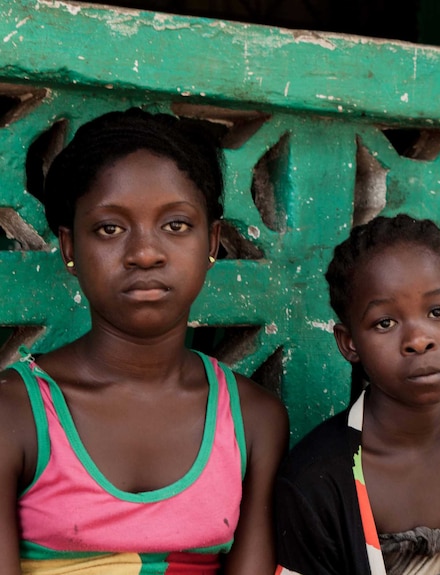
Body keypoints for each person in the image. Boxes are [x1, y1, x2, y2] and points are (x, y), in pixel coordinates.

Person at [0, 108, 289, 574]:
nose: (145, 253)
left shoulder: (253, 421)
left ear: (212, 241)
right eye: (110, 228)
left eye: (175, 225)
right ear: (70, 247)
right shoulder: (13, 416)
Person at [274, 214, 440, 575]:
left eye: (438, 311)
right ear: (349, 342)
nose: (418, 339)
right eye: (385, 323)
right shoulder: (316, 481)